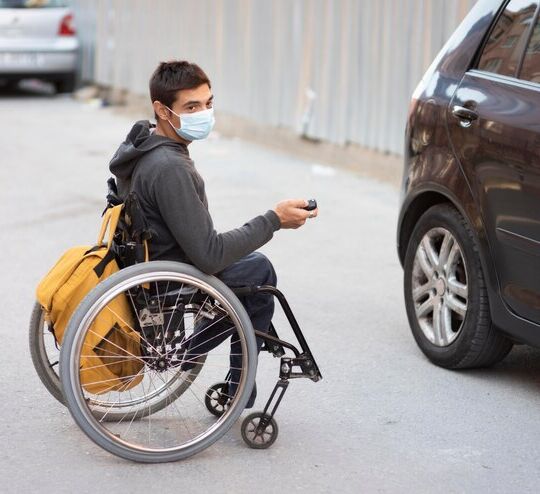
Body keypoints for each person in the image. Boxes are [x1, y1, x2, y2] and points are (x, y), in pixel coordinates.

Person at [109, 60, 318, 408]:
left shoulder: (145, 145)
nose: (204, 113)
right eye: (191, 107)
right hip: (170, 275)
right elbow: (209, 255)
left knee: (249, 266)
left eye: (208, 103)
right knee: (258, 271)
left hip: (151, 259)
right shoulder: (169, 167)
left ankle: (240, 375)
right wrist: (274, 219)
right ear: (162, 110)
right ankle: (198, 361)